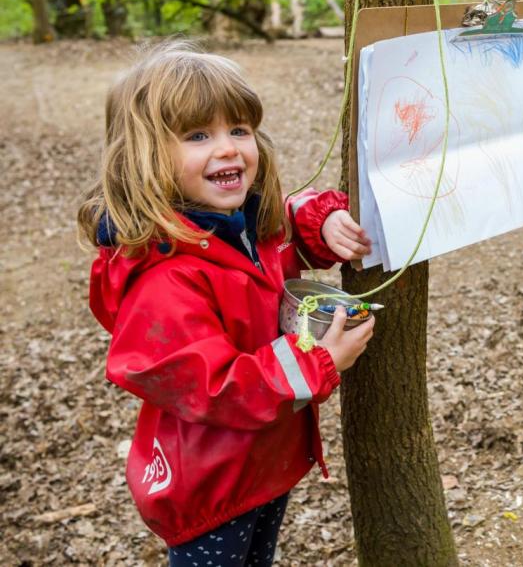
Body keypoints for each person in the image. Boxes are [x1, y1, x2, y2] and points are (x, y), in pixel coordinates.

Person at [77, 41, 375, 565]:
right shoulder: (165, 279)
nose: (229, 148)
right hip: (210, 488)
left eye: (239, 129)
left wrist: (321, 221)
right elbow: (213, 387)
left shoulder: (239, 225)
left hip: (262, 466)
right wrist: (319, 362)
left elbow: (281, 231)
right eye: (198, 135)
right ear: (147, 156)